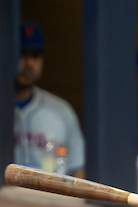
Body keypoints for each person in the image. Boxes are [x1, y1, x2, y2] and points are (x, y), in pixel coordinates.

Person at [14, 21, 85, 176]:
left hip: (51, 199)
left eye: (36, 55)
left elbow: (77, 173)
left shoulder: (61, 111)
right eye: (23, 53)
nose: (29, 63)